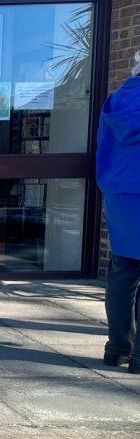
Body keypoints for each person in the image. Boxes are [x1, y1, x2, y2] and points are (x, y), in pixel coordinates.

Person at [97, 51, 140, 375]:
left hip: (119, 193)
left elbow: (103, 144)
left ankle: (117, 348)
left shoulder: (114, 101)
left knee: (123, 270)